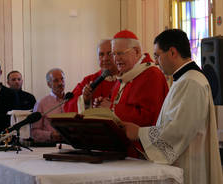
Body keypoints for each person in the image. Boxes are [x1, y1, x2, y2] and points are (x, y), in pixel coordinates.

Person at [123, 29, 223, 184]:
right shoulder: (183, 79)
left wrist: (139, 133)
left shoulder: (191, 82)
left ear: (172, 52)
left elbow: (179, 130)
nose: (155, 61)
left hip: (190, 166)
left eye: (157, 55)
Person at [94, 30, 169, 158]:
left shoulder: (152, 75)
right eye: (114, 54)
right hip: (122, 150)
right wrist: (103, 107)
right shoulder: (124, 76)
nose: (116, 59)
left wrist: (111, 108)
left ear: (137, 51)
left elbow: (149, 117)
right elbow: (115, 104)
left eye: (120, 53)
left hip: (141, 152)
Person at [64, 39, 118, 113]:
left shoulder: (126, 79)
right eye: (101, 54)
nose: (105, 58)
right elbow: (68, 106)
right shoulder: (88, 81)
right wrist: (85, 100)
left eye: (109, 54)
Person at [31, 68, 65, 143]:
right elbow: (34, 132)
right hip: (52, 146)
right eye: (56, 80)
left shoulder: (71, 100)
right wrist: (51, 135)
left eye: (62, 79)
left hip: (73, 145)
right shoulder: (41, 103)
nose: (60, 83)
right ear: (49, 84)